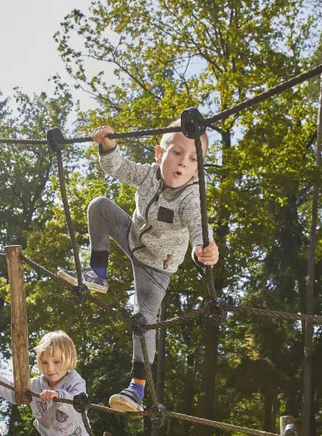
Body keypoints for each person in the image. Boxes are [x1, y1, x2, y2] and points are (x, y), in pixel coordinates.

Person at [58, 121, 219, 413]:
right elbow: (119, 168)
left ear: (198, 169)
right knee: (99, 206)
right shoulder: (148, 175)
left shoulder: (191, 198)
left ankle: (137, 387)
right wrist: (109, 147)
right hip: (132, 236)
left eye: (193, 159)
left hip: (157, 267)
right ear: (160, 154)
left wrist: (204, 248)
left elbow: (199, 226)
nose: (183, 163)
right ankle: (99, 274)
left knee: (142, 321)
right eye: (177, 153)